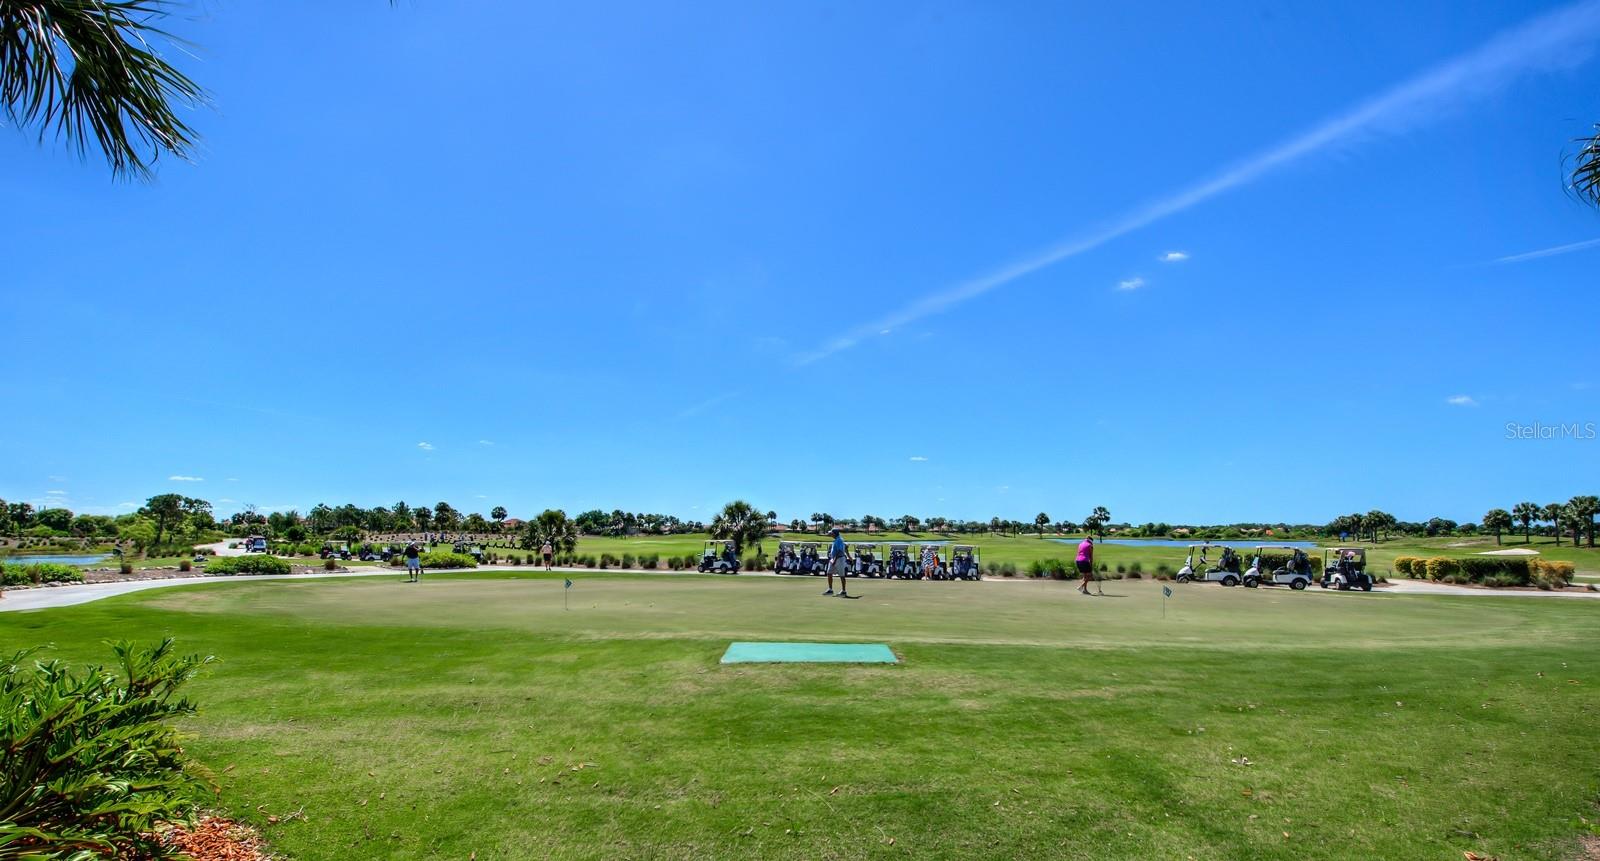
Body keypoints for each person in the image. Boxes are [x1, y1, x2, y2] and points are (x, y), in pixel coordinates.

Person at [825, 527, 850, 597]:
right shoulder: (837, 539)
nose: (830, 534)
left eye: (831, 533)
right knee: (829, 573)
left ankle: (844, 591)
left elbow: (839, 551)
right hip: (834, 559)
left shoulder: (839, 540)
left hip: (839, 559)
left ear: (834, 534)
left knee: (842, 575)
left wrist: (834, 560)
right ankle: (830, 590)